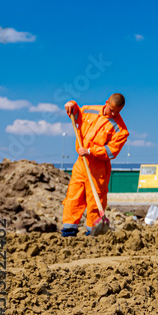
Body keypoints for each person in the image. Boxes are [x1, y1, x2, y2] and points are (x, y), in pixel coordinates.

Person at [61, 93, 129, 237]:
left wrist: (91, 151)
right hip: (81, 163)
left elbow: (111, 152)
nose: (113, 114)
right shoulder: (89, 110)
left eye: (117, 112)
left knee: (95, 200)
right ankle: (68, 231)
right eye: (111, 110)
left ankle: (92, 233)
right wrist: (71, 104)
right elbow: (76, 113)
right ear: (106, 103)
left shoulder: (121, 130)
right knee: (74, 197)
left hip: (98, 167)